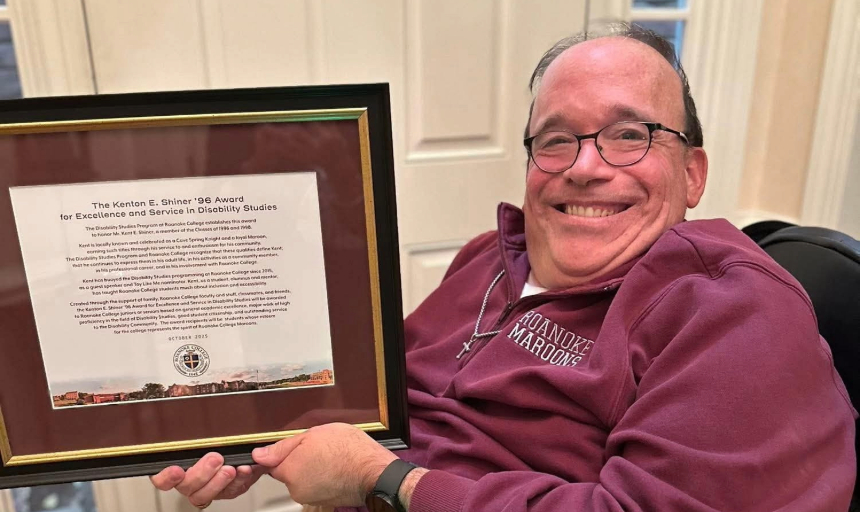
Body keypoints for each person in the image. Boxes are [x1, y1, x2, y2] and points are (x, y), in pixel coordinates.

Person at [151, 22, 857, 511]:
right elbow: (382, 398)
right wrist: (262, 440)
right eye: (556, 139)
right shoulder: (488, 259)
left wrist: (383, 478)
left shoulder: (734, 314)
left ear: (692, 173)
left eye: (629, 135)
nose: (584, 167)